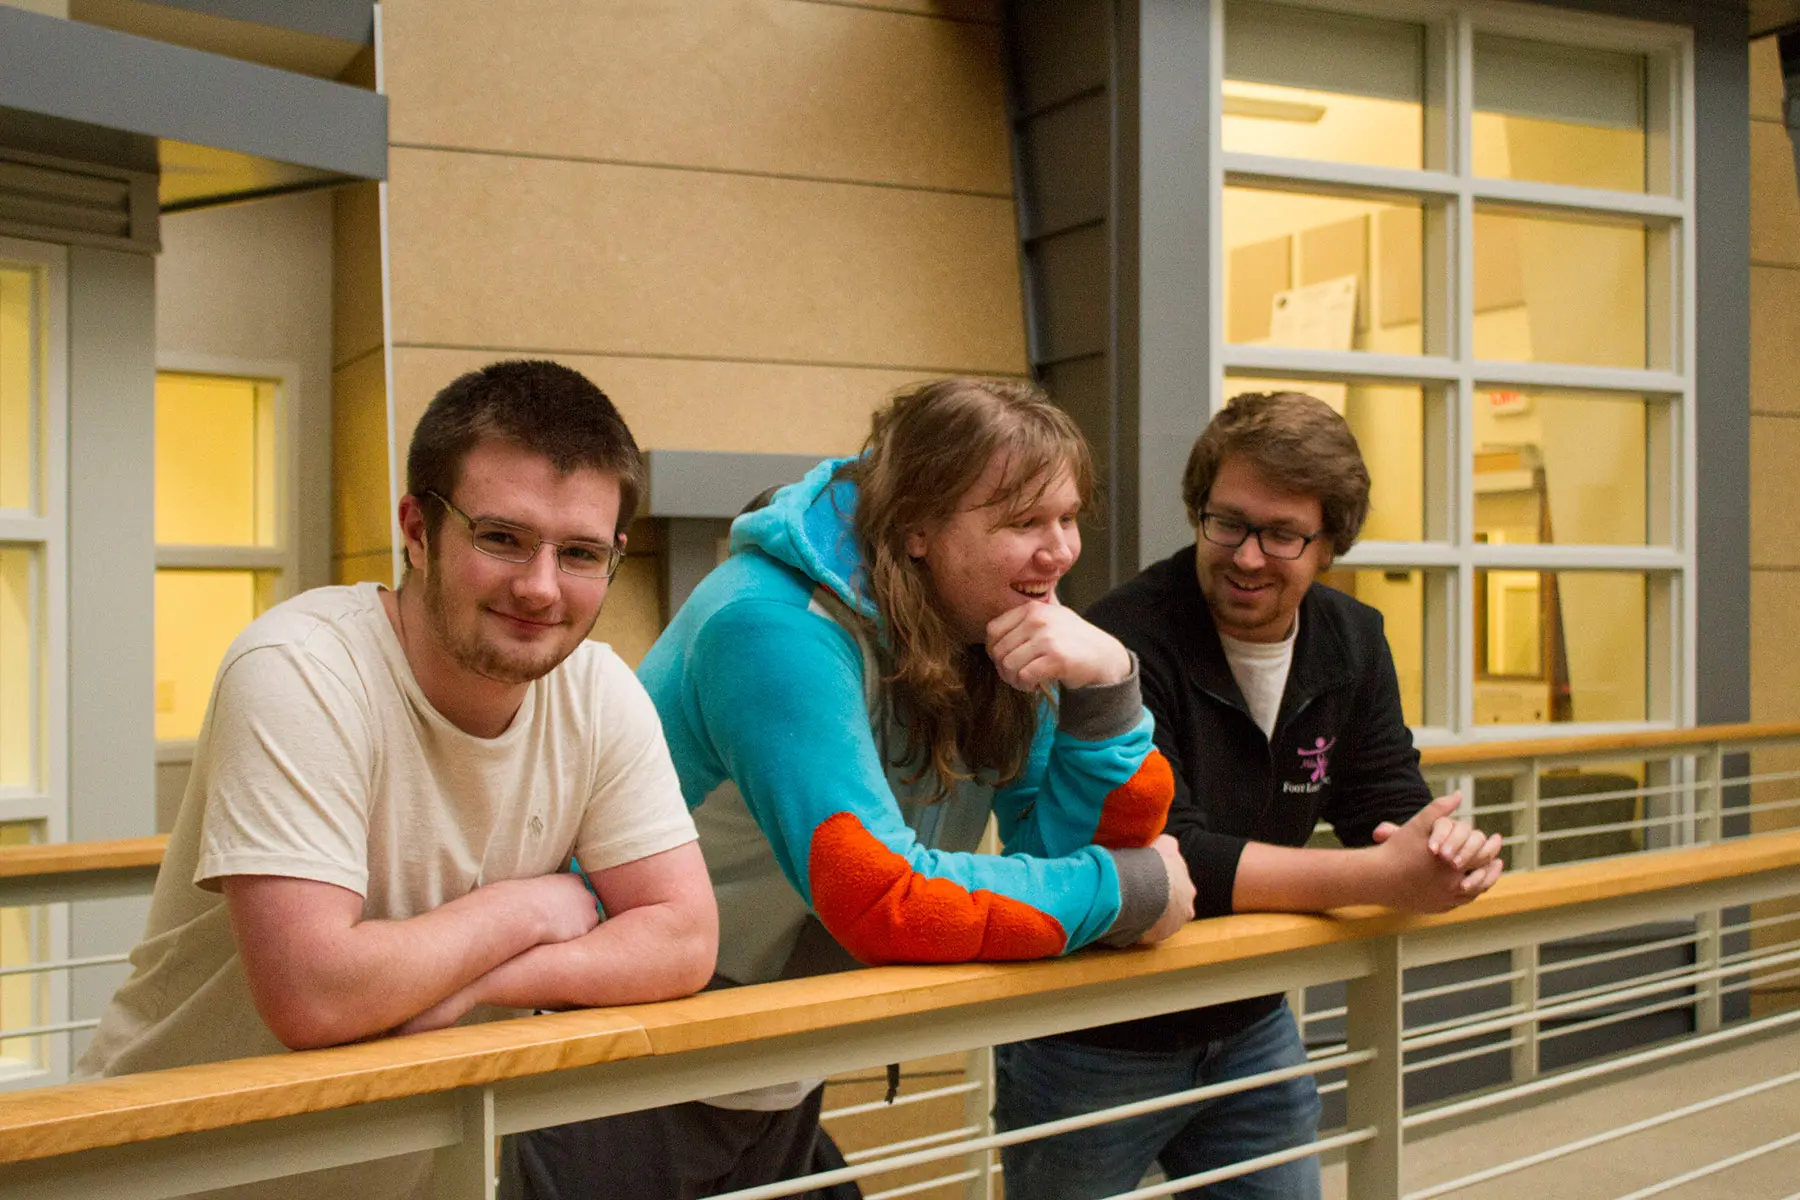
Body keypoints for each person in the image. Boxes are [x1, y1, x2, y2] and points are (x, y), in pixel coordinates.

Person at [508, 377, 1196, 1200]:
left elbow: (1069, 856)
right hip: (617, 1059)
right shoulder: (773, 624)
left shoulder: (995, 624)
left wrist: (1110, 689)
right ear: (916, 529)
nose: (1059, 552)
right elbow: (883, 897)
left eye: (1068, 518)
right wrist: (1127, 890)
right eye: (1022, 523)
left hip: (768, 1060)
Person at [78, 360, 718, 1200]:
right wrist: (524, 909)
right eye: (502, 538)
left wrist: (481, 981)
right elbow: (313, 994)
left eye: (580, 554)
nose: (540, 586)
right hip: (160, 1175)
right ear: (418, 529)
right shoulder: (300, 670)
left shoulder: (599, 692)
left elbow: (683, 939)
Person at [993, 390, 1505, 1199]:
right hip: (1095, 1034)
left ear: (1331, 542)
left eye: (1283, 535)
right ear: (1199, 511)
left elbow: (1386, 798)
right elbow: (1173, 852)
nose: (1248, 556)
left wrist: (1443, 847)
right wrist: (1382, 880)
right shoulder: (1122, 637)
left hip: (1250, 1019)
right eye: (1226, 522)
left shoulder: (1352, 638)